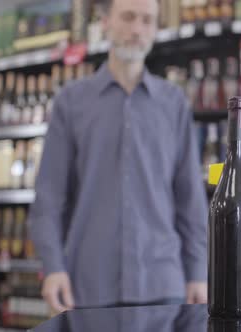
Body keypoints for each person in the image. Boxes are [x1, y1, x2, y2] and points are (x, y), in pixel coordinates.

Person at [28, 0, 208, 313]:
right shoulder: (72, 103)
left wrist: (197, 272)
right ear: (106, 21)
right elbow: (49, 198)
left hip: (163, 285)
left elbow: (189, 198)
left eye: (147, 20)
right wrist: (53, 267)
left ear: (155, 28)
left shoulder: (173, 104)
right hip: (87, 287)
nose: (137, 29)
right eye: (128, 17)